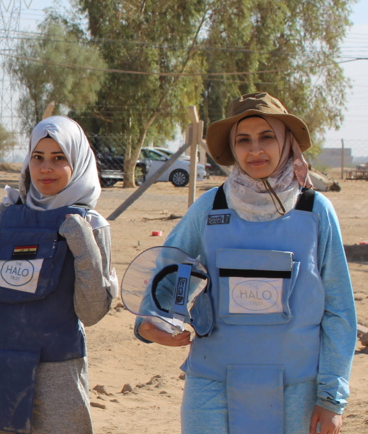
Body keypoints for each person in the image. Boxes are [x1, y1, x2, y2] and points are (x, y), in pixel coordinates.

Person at [135, 92, 355, 434]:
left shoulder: (315, 211)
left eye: (267, 137)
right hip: (212, 381)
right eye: (243, 140)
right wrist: (151, 320)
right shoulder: (211, 207)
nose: (255, 150)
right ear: (232, 149)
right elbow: (169, 269)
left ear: (288, 142)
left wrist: (331, 399)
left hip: (296, 386)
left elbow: (339, 311)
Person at [0, 116, 115, 434]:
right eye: (37, 158)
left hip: (59, 373)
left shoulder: (91, 226)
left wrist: (84, 246)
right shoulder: (3, 216)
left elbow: (92, 311)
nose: (45, 169)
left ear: (79, 164)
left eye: (59, 159)